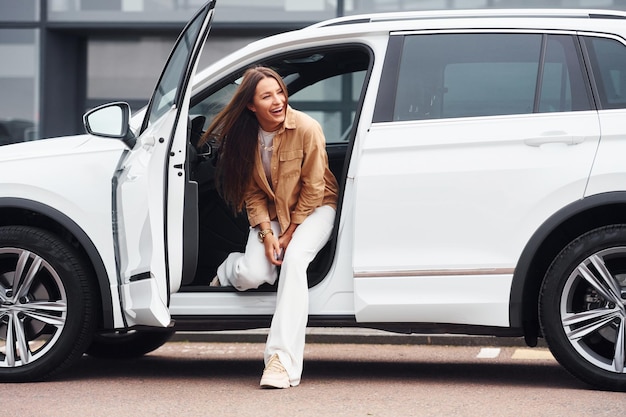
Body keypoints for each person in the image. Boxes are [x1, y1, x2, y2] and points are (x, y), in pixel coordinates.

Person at [198, 66, 339, 389]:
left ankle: (280, 361)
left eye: (279, 92)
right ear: (251, 105)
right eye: (267, 96)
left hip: (316, 208)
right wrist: (266, 233)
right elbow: (252, 192)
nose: (278, 101)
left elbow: (314, 187)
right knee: (251, 275)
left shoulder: (306, 127)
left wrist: (287, 236)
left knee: (294, 262)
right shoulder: (244, 138)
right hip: (274, 212)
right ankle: (228, 269)